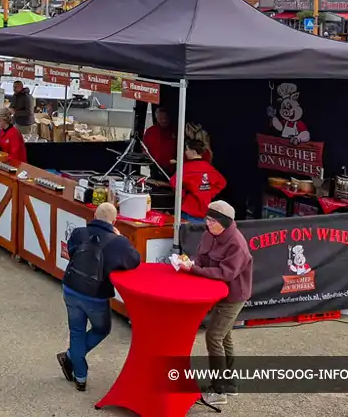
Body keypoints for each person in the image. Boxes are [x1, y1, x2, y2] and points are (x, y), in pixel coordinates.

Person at [57, 202, 141, 391]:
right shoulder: (118, 242)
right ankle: (71, 357)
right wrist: (120, 238)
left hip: (70, 287)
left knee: (76, 332)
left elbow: (71, 252)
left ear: (94, 215)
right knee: (102, 329)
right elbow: (134, 261)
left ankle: (80, 377)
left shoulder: (79, 232)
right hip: (95, 295)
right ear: (115, 220)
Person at [180, 200, 253, 406]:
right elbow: (201, 257)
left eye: (212, 220)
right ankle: (228, 384)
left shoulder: (237, 244)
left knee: (214, 337)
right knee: (224, 337)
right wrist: (191, 262)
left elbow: (225, 274)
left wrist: (193, 270)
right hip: (217, 294)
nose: (207, 223)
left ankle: (219, 390)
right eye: (207, 219)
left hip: (233, 296)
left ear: (225, 222)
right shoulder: (209, 234)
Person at [153, 138, 227, 221]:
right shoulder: (209, 167)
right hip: (205, 208)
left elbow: (173, 182)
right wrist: (209, 192)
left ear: (193, 152)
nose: (185, 152)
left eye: (187, 149)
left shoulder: (186, 168)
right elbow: (222, 183)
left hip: (189, 208)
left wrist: (185, 192)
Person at [143, 105, 177, 177]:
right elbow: (144, 148)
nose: (163, 120)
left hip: (172, 167)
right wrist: (149, 159)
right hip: (155, 165)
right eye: (160, 118)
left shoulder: (176, 130)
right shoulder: (150, 131)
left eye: (165, 118)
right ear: (156, 118)